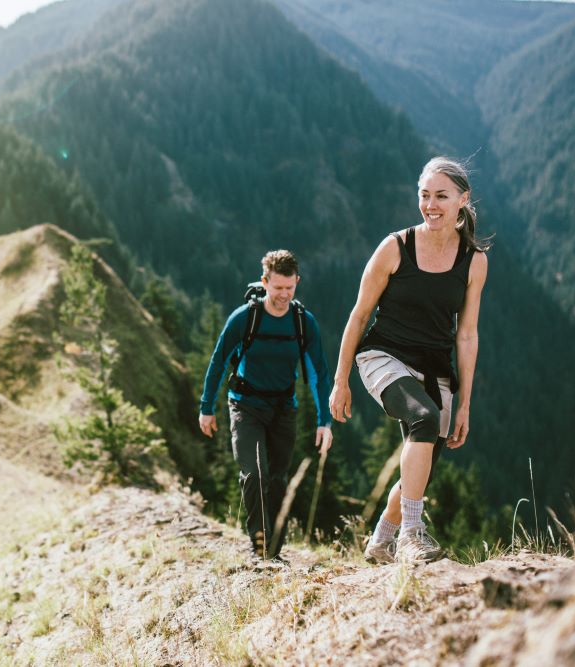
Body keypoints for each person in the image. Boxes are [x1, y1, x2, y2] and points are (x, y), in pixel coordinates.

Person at [328, 157, 489, 564]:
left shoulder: (474, 261)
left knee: (421, 466)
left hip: (436, 368)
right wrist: (340, 379)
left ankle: (382, 538)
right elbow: (359, 315)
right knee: (423, 418)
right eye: (424, 195)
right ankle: (412, 536)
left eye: (441, 196)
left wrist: (465, 402)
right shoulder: (395, 247)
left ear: (462, 201)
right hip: (383, 355)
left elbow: (467, 335)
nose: (430, 205)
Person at [199, 250, 333, 561]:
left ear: (297, 282)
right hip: (245, 405)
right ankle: (259, 547)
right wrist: (206, 407)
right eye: (278, 288)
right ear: (265, 282)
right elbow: (218, 362)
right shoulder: (245, 317)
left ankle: (274, 551)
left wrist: (324, 421)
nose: (284, 295)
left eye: (290, 287)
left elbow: (319, 373)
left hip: (283, 408)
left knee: (278, 479)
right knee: (254, 473)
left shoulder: (303, 323)